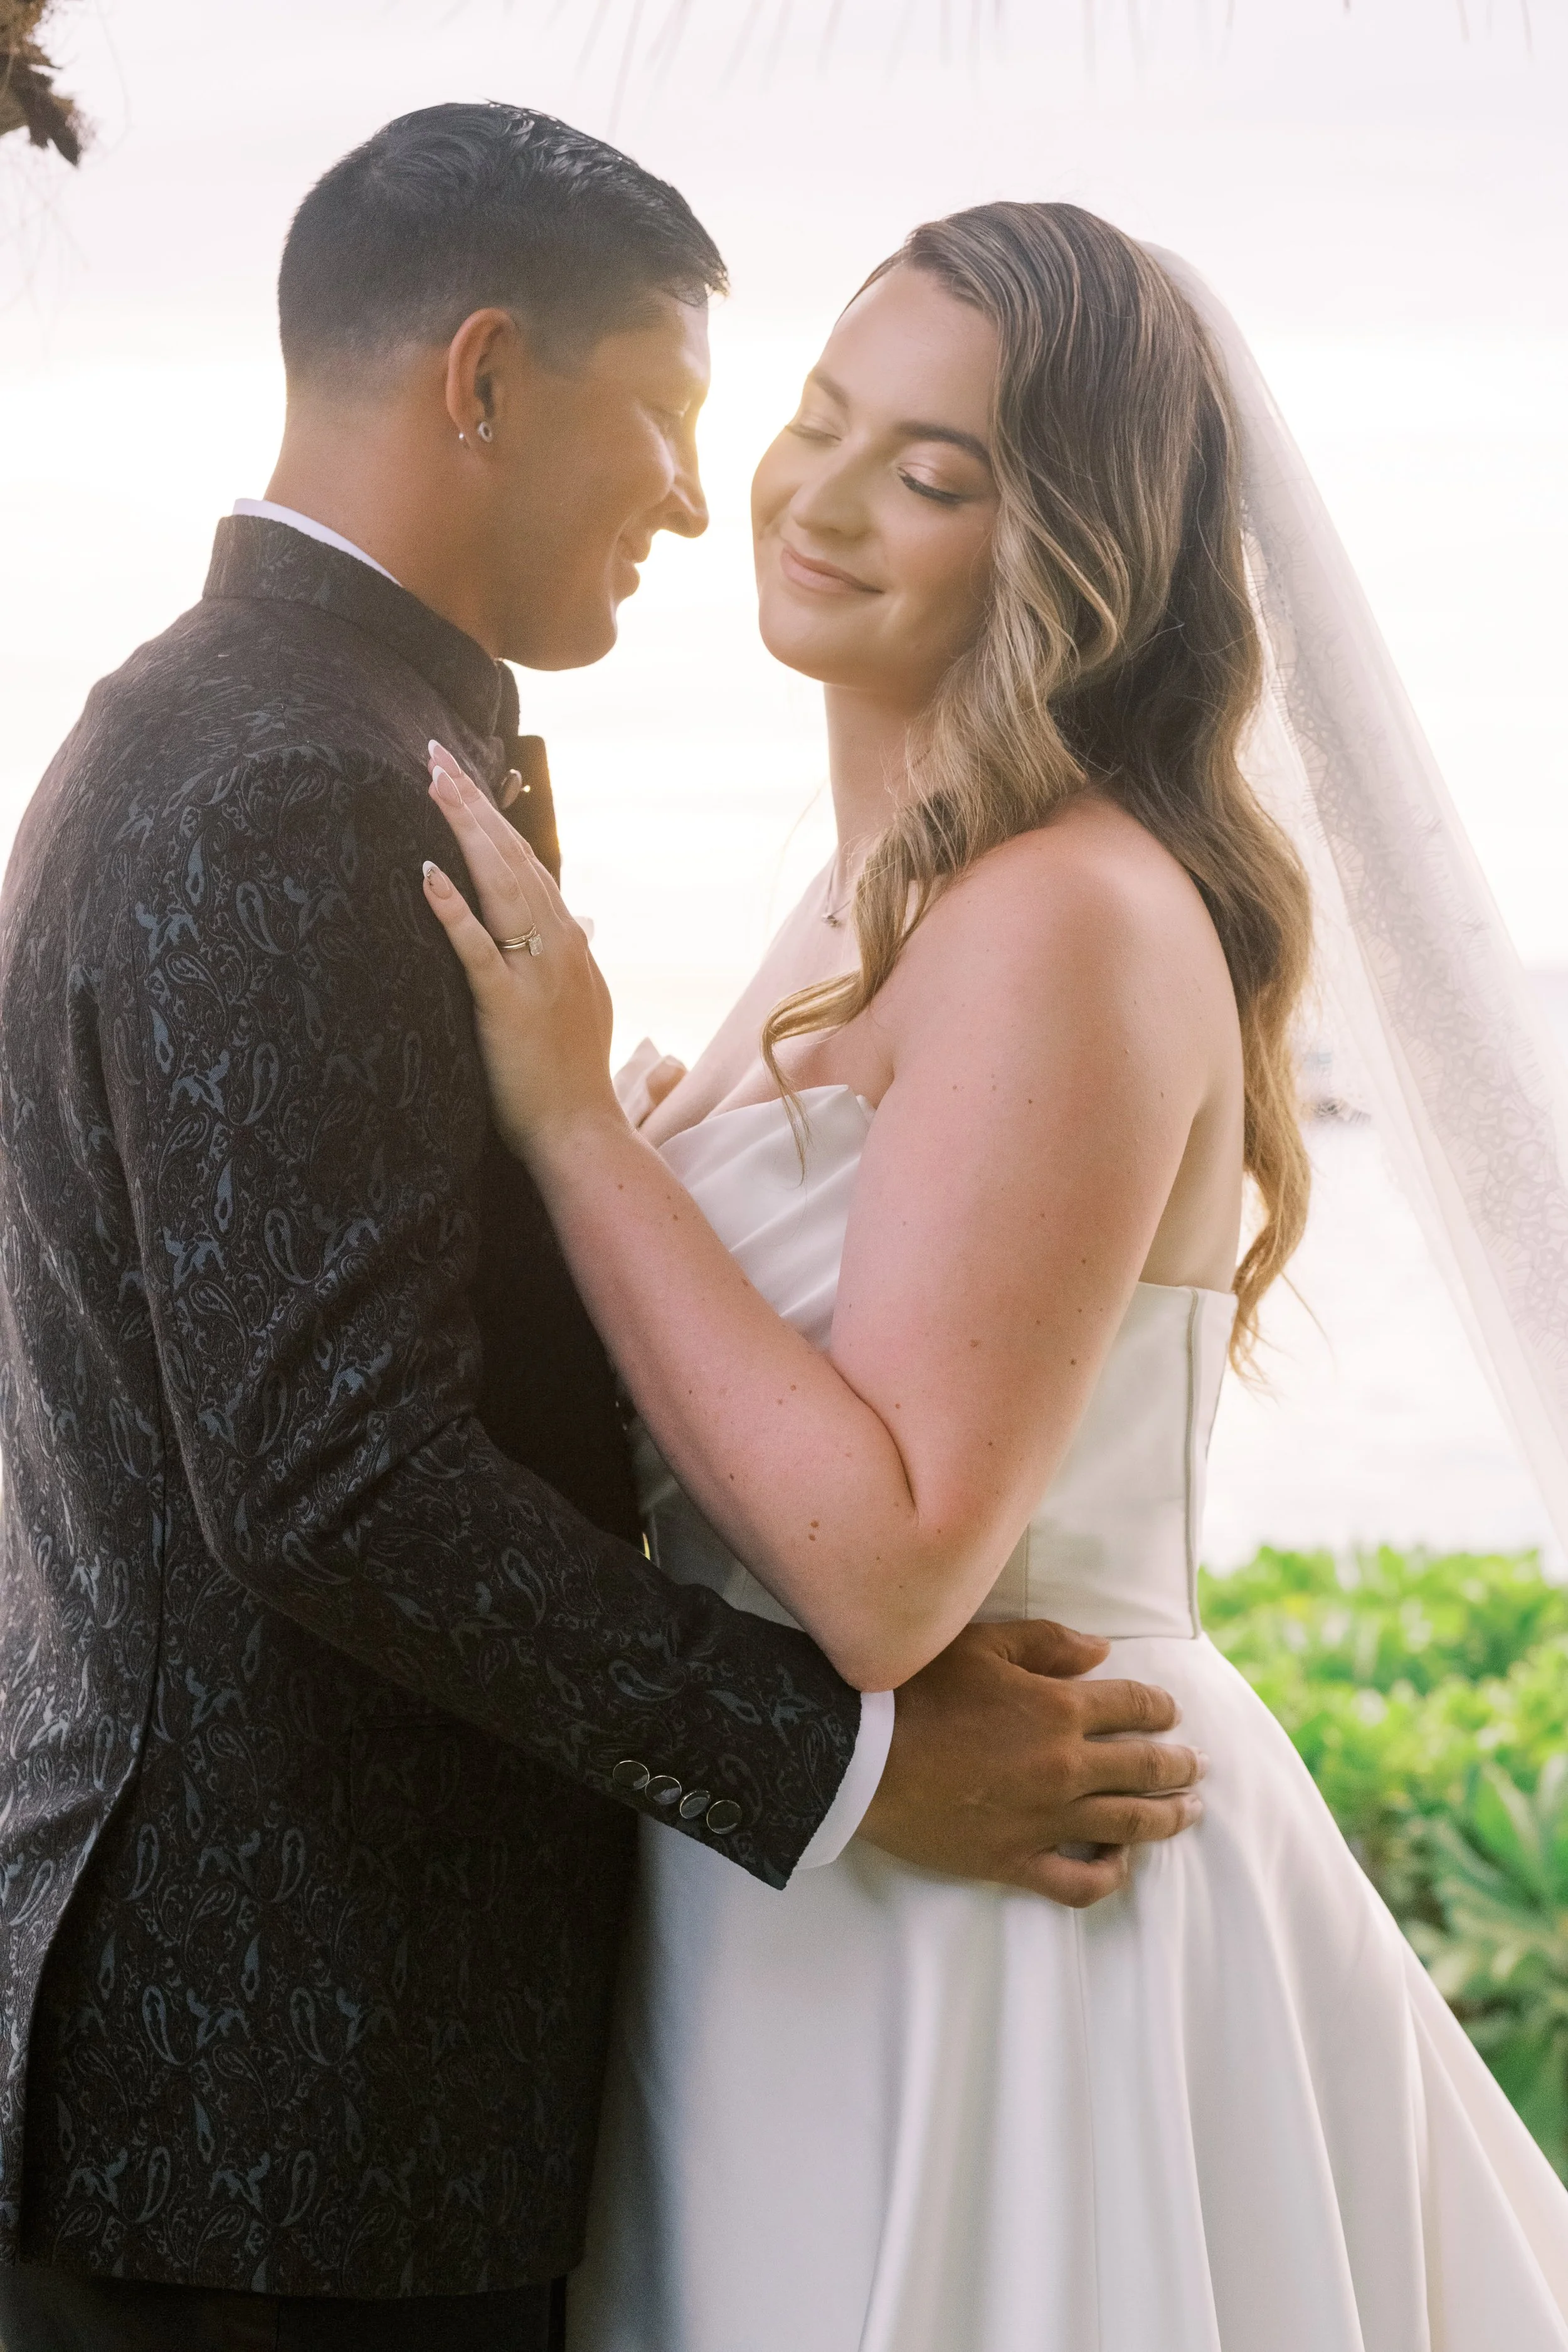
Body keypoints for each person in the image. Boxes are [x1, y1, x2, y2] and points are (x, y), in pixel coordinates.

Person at [0, 120, 1205, 2352]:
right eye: (676, 412)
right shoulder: (291, 779)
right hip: (284, 2118)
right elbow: (331, 1472)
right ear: (483, 377)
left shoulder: (292, 732)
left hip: (369, 2096)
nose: (698, 491)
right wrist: (847, 1764)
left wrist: (598, 1174)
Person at [422, 201, 1568, 2348]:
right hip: (809, 1893)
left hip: (1006, 1928)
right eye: (820, 417)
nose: (824, 495)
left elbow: (888, 1572)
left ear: (1071, 555)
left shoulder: (1062, 913)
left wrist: (578, 1127)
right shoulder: (876, 888)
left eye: (933, 472)